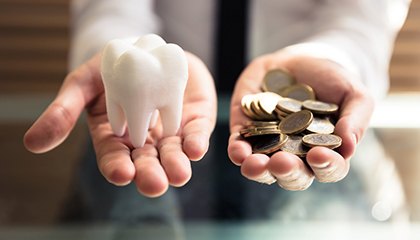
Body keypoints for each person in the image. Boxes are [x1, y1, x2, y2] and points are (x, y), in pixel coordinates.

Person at [24, 0, 410, 222]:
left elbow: (364, 13)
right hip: (155, 129)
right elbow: (110, 6)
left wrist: (335, 60)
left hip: (333, 184)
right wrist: (117, 52)